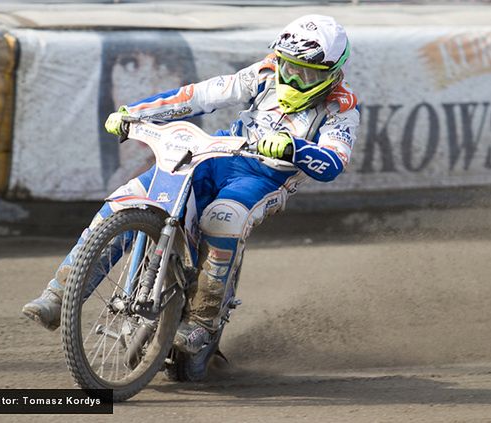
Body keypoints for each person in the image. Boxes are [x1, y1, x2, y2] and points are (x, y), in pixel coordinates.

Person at [23, 14, 359, 371]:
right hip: (220, 154)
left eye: (307, 73)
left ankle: (202, 322)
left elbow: (334, 161)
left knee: (223, 218)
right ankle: (60, 295)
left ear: (332, 72)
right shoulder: (265, 73)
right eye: (289, 68)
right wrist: (134, 113)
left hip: (265, 177)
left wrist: (294, 149)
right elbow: (201, 95)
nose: (293, 78)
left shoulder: (341, 107)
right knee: (129, 194)